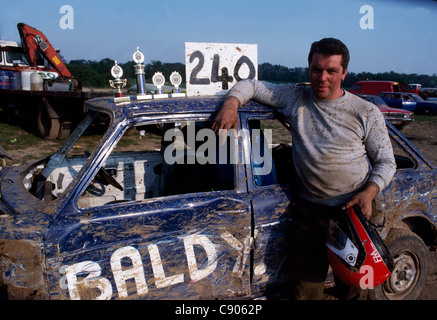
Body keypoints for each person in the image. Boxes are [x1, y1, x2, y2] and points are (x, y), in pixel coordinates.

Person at [212, 38, 396, 300]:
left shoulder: (365, 112)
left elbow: (387, 162)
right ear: (308, 68)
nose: (322, 78)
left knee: (357, 290)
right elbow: (250, 85)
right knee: (306, 292)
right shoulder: (295, 97)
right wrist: (231, 104)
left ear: (344, 72)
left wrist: (369, 192)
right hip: (311, 213)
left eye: (331, 71)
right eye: (316, 69)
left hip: (354, 214)